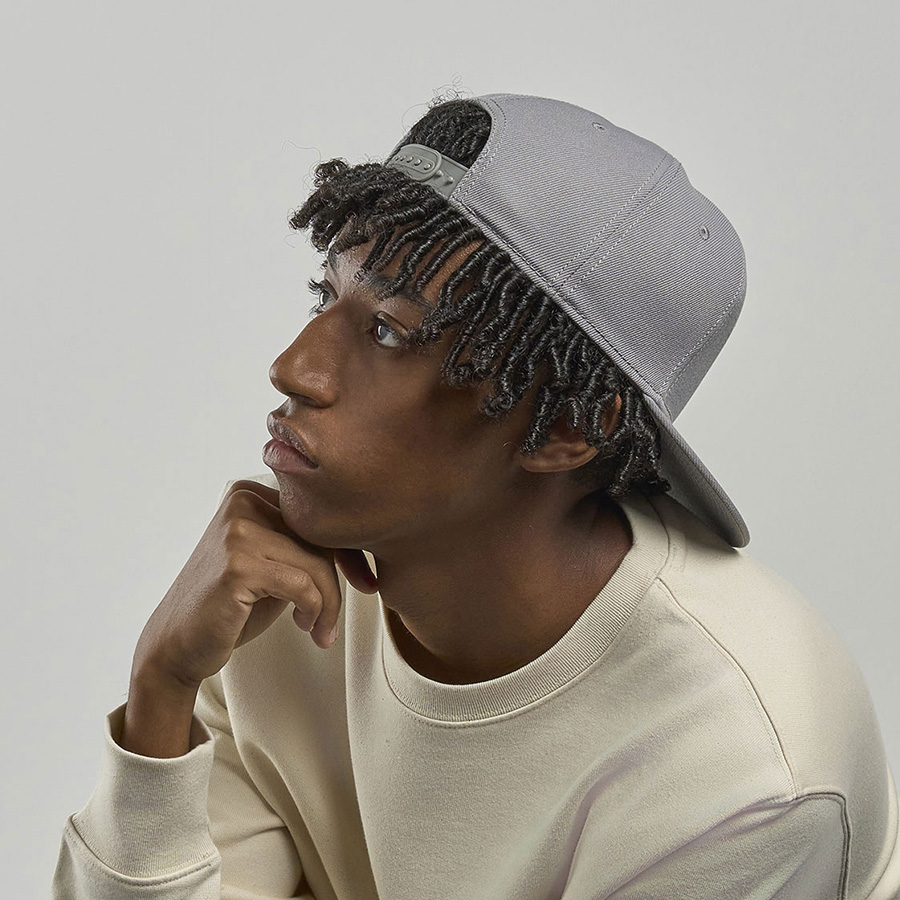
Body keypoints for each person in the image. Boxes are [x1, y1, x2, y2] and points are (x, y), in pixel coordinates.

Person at [52, 93, 900, 899]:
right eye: (328, 295)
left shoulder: (740, 772)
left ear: (566, 425)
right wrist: (162, 687)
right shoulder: (279, 600)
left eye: (389, 330)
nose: (293, 368)